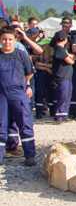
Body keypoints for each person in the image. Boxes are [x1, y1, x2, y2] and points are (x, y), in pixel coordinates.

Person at [0, 26, 37, 166]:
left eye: (10, 39)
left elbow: (30, 72)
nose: (7, 42)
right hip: (1, 95)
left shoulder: (21, 54)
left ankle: (29, 155)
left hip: (18, 94)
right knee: (1, 125)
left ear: (15, 40)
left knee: (25, 123)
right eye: (4, 39)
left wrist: (27, 85)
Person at [51, 31, 74, 123]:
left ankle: (64, 114)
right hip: (61, 76)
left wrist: (70, 56)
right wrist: (71, 57)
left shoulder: (63, 49)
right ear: (65, 39)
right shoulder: (59, 49)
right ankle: (59, 115)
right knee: (62, 96)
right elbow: (71, 61)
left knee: (67, 95)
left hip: (66, 76)